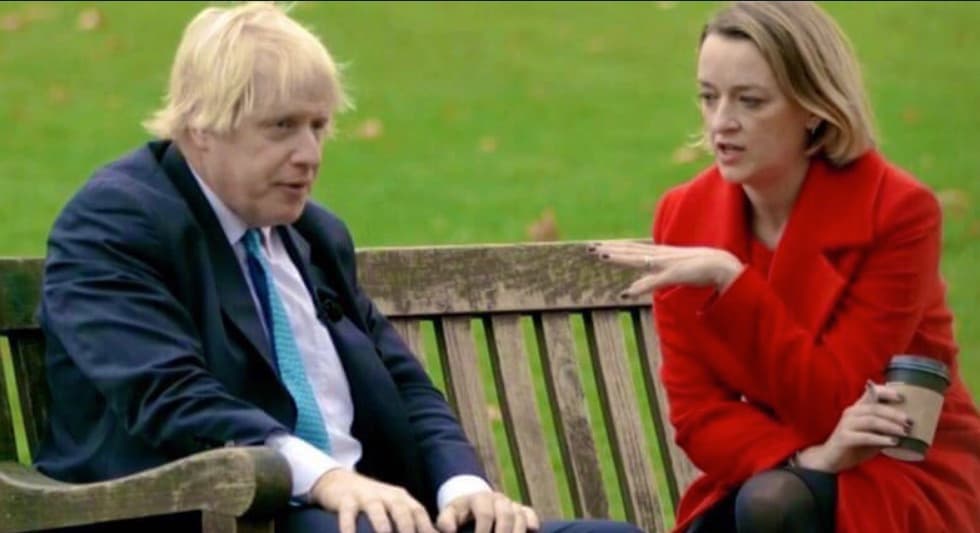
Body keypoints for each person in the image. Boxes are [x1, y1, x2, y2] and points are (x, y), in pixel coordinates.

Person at [36, 3, 641, 533]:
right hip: (226, 517)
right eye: (281, 127)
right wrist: (324, 478)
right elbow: (169, 396)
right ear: (202, 128)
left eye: (319, 126)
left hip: (365, 515)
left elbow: (406, 385)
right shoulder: (116, 224)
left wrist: (463, 488)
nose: (309, 154)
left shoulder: (314, 235)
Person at [589, 2, 980, 532]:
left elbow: (834, 399)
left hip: (895, 471)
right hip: (767, 464)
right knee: (765, 503)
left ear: (814, 108)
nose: (721, 122)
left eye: (750, 101)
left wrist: (733, 283)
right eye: (708, 96)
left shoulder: (896, 211)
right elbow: (697, 413)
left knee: (772, 505)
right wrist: (807, 459)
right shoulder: (684, 214)